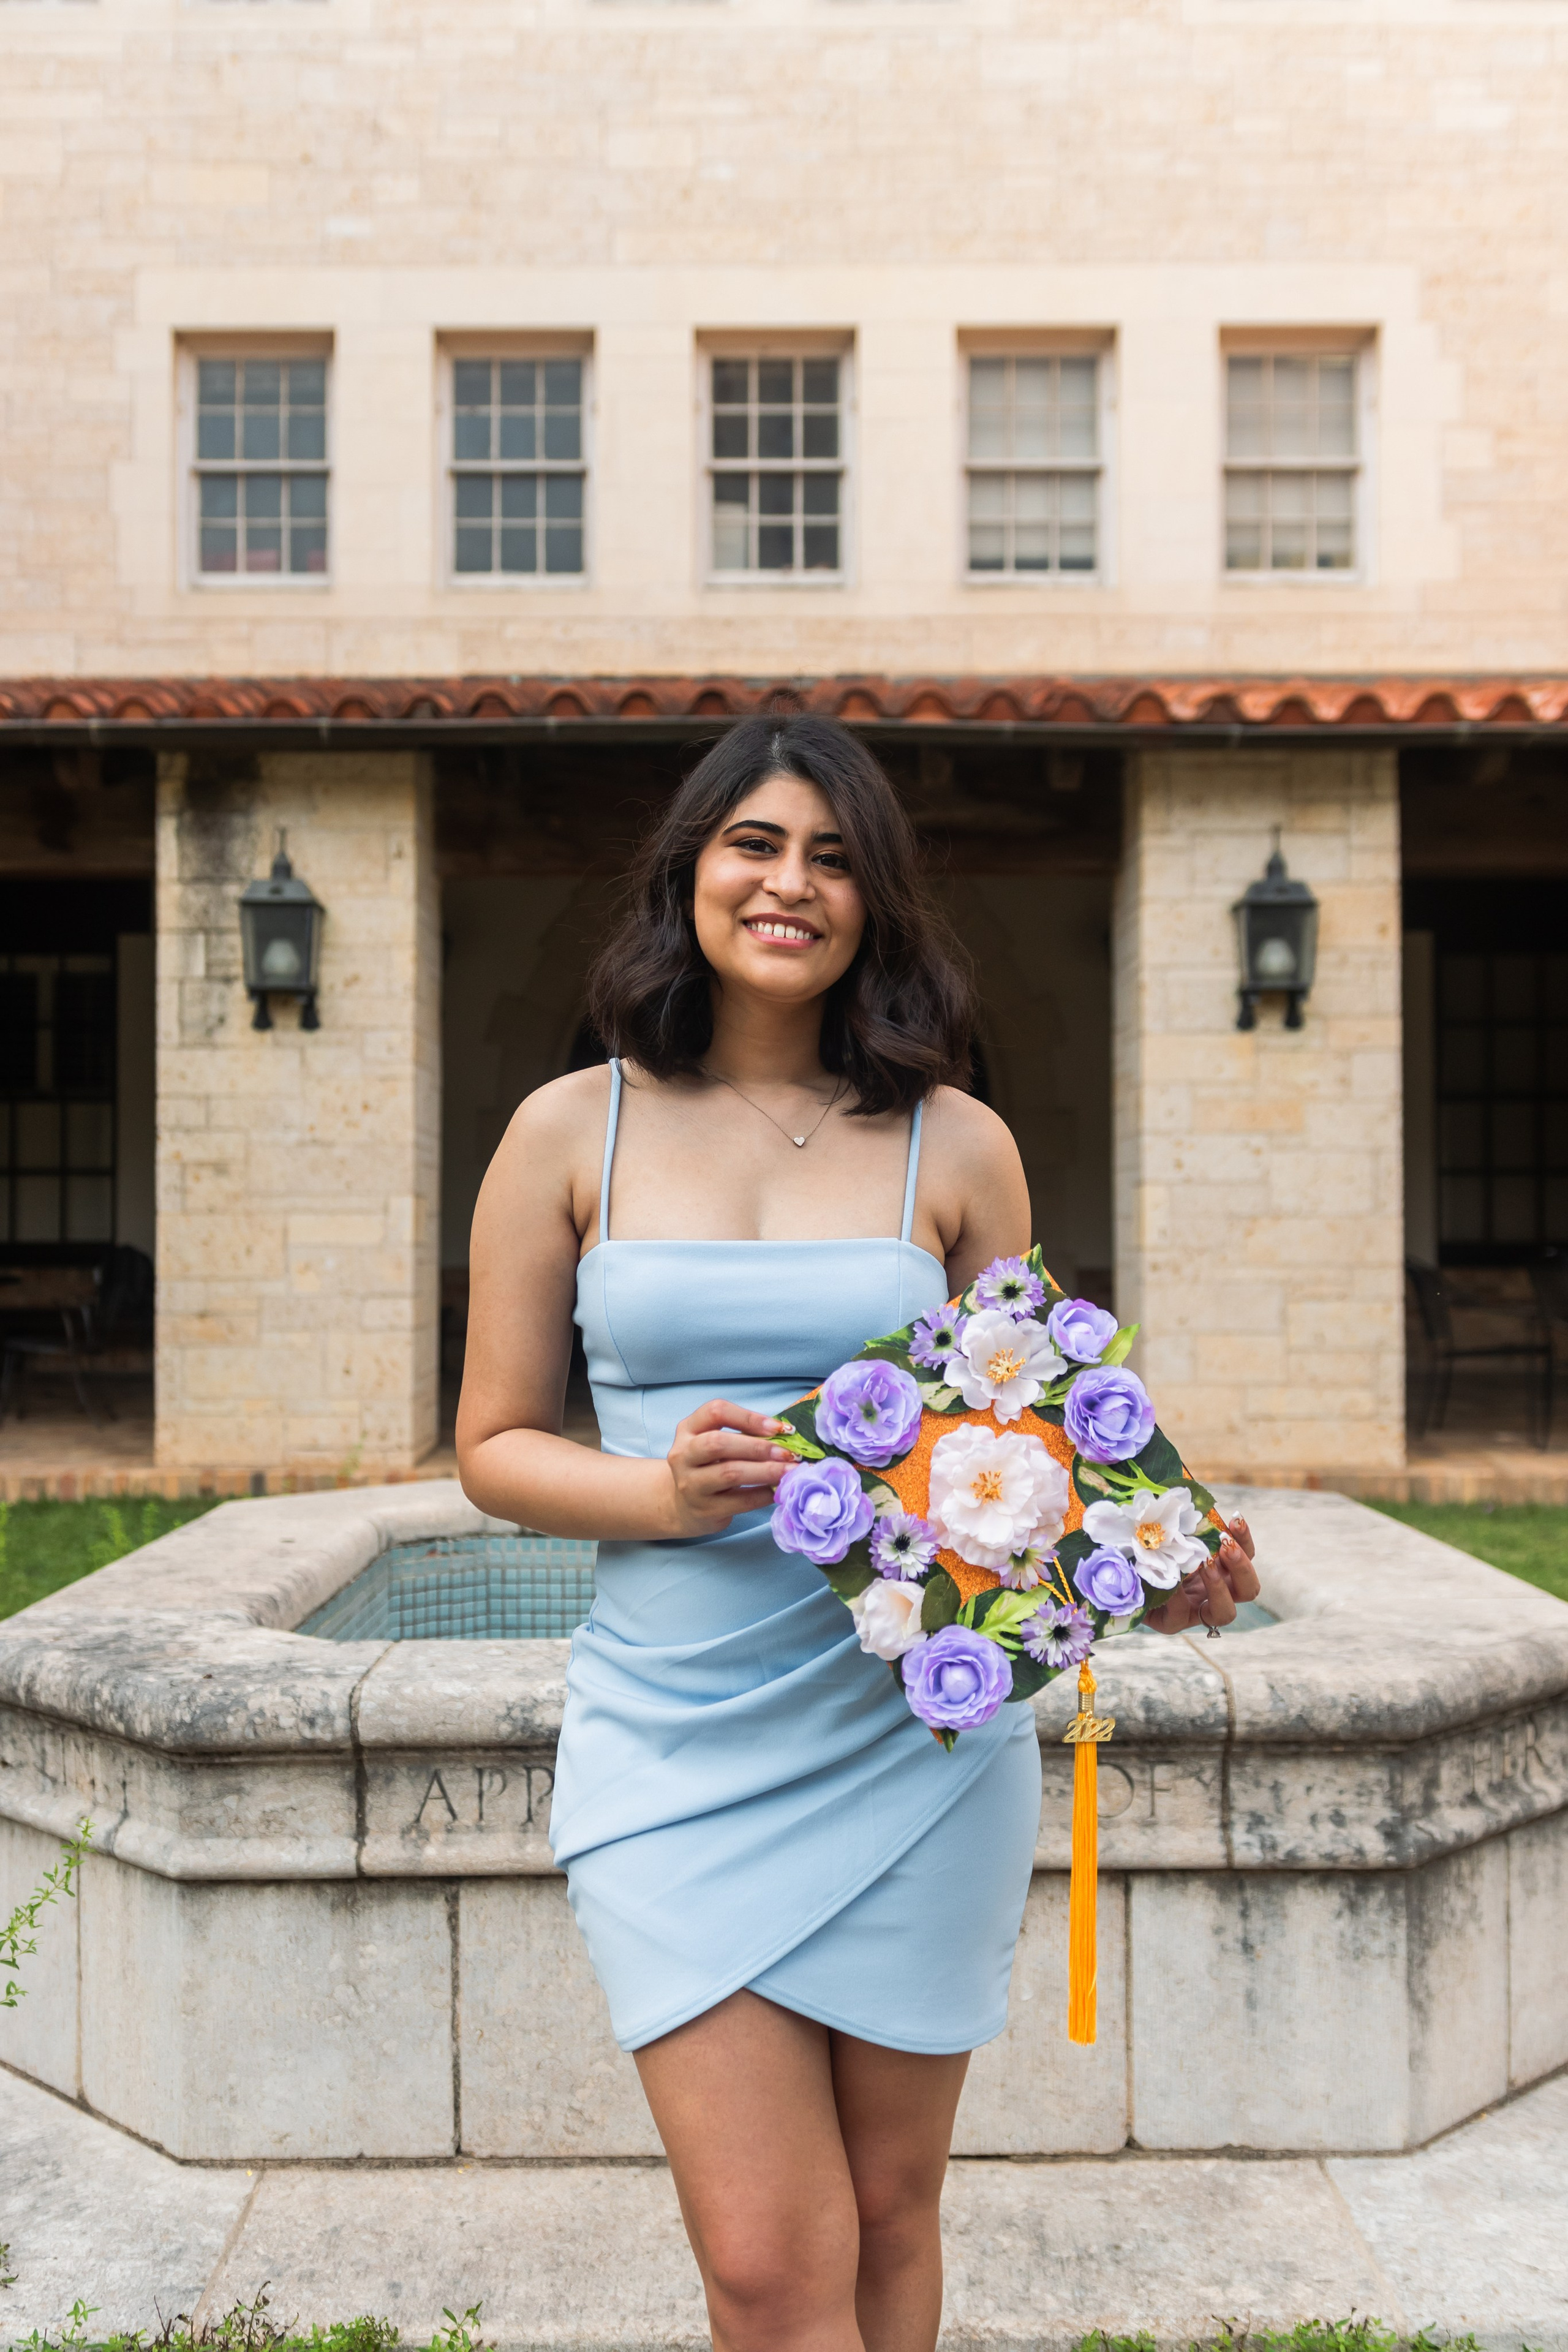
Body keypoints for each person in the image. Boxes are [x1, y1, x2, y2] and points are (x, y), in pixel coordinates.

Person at [457, 714, 1261, 2352]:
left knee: (895, 2223)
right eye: (755, 844)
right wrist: (657, 1496)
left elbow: (1017, 1458)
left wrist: (1148, 1567)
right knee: (767, 2264)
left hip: (915, 1751)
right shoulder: (563, 1131)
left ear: (876, 901)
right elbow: (492, 1447)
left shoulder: (960, 1145)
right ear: (689, 870)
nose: (790, 884)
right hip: (674, 1742)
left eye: (833, 857)